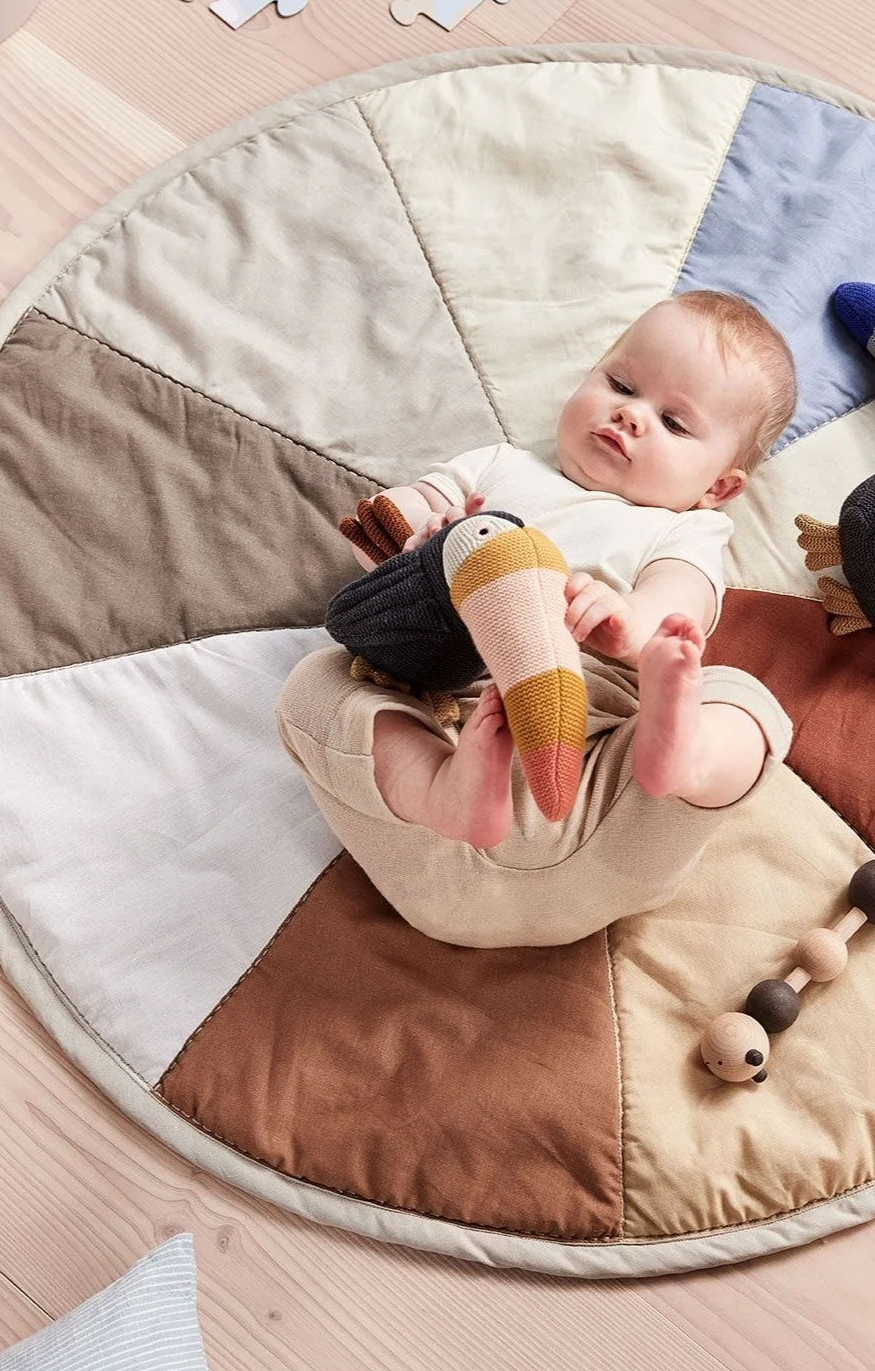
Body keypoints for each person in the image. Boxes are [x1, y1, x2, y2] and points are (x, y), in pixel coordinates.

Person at [276, 289, 798, 948]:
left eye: (674, 423)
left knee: (744, 702)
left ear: (716, 487)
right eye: (621, 383)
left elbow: (681, 604)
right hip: (444, 796)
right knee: (316, 683)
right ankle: (441, 788)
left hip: (602, 796)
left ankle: (686, 756)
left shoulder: (684, 530)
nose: (631, 415)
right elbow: (381, 525)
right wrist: (421, 539)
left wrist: (630, 626)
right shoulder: (501, 466)